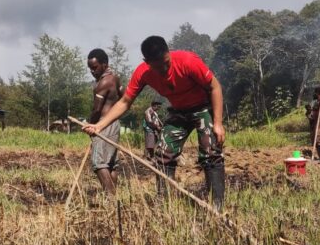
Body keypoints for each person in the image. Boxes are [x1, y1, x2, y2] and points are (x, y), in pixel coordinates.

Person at [83, 36, 226, 210]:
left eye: (166, 63)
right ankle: (164, 205)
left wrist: (218, 123)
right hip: (179, 111)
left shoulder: (188, 61)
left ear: (168, 53)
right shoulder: (143, 72)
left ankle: (217, 206)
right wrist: (99, 125)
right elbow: (125, 102)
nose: (164, 69)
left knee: (211, 152)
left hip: (202, 107)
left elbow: (215, 87)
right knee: (163, 153)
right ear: (147, 62)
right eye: (158, 66)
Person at [87, 48, 124, 193]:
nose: (92, 71)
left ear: (104, 64)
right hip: (114, 123)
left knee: (99, 162)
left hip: (103, 124)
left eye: (95, 68)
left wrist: (91, 125)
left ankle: (110, 198)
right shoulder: (115, 79)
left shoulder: (103, 83)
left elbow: (97, 110)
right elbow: (124, 97)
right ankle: (113, 198)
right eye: (90, 69)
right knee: (111, 163)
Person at [305, 87, 320, 162]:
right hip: (314, 124)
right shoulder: (313, 102)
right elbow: (310, 116)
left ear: (319, 93)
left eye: (316, 92)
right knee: (316, 141)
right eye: (315, 92)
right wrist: (308, 110)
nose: (315, 94)